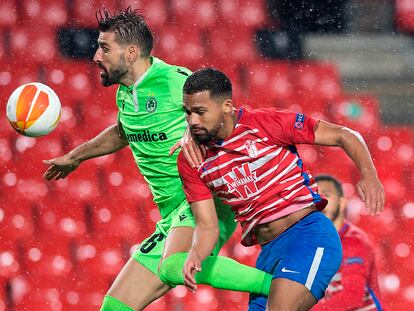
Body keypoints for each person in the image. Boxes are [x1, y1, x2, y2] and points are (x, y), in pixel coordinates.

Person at [42, 8, 272, 311]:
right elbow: (124, 131)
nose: (97, 56)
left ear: (131, 52)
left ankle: (280, 286)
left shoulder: (175, 82)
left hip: (203, 199)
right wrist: (75, 157)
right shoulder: (125, 94)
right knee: (114, 307)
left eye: (105, 47)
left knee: (173, 266)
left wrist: (199, 138)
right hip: (171, 215)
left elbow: (227, 117)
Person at [177, 68, 385, 310]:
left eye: (200, 112)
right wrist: (195, 253)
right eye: (188, 112)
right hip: (268, 254)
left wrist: (369, 176)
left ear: (226, 107)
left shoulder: (267, 123)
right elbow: (207, 225)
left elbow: (343, 135)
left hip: (307, 235)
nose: (192, 120)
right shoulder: (191, 160)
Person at [312, 175, 383, 311]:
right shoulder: (313, 243)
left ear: (342, 203)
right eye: (315, 196)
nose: (320, 200)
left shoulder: (353, 241)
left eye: (326, 194)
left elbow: (352, 296)